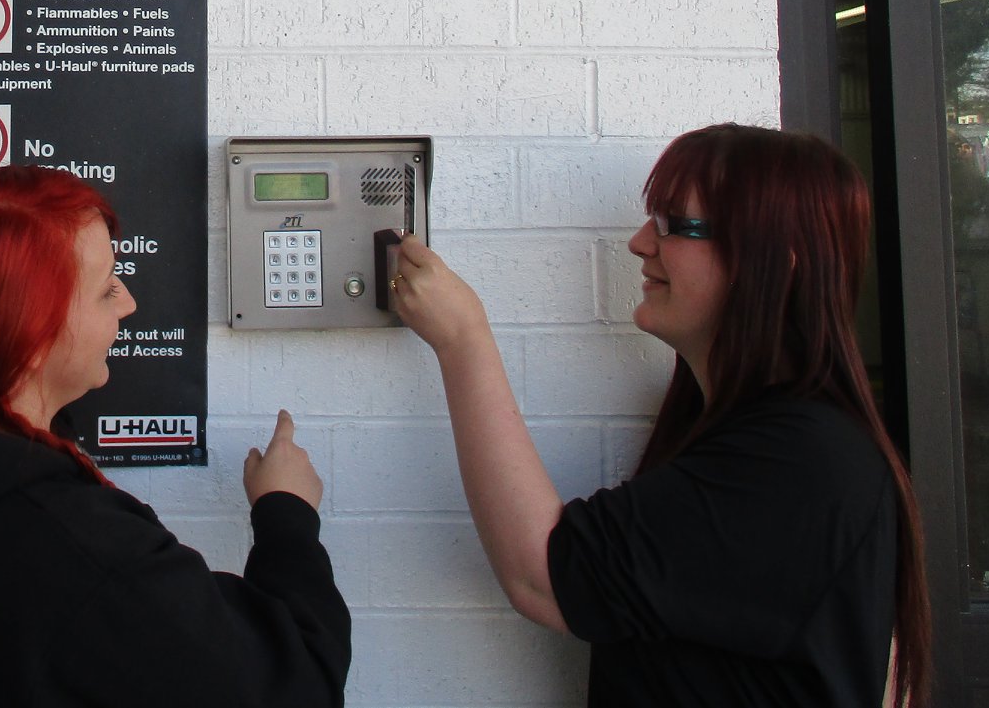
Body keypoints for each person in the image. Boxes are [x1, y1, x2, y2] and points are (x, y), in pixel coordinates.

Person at [389, 123, 931, 707]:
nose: (641, 243)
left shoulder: (802, 461)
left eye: (675, 224)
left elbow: (543, 576)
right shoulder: (758, 436)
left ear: (777, 264)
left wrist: (463, 339)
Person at [0, 164, 350, 707]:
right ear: (30, 336)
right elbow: (299, 687)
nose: (128, 303)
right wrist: (287, 514)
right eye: (105, 289)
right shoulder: (81, 550)